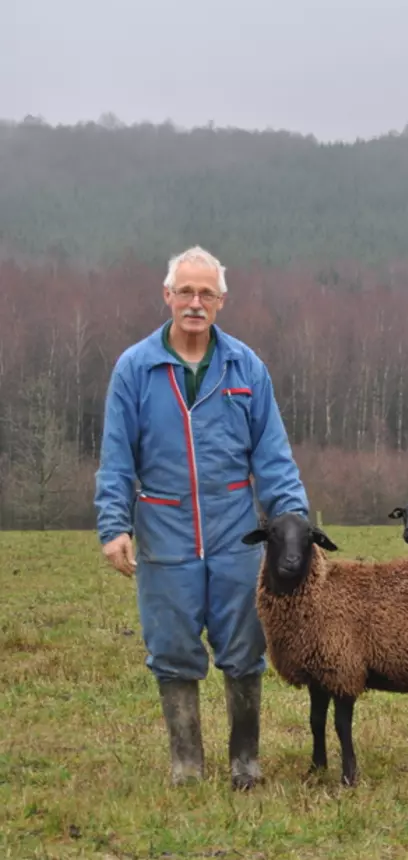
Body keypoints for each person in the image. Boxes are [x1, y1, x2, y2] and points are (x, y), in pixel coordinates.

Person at [94, 245, 308, 789]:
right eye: (185, 291)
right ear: (167, 296)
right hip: (164, 525)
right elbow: (117, 457)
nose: (195, 302)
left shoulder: (245, 367)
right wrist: (113, 526)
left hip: (235, 526)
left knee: (244, 644)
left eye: (206, 293)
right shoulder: (135, 369)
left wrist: (293, 521)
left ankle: (245, 762)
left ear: (221, 302)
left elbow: (274, 456)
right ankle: (187, 764)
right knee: (172, 645)